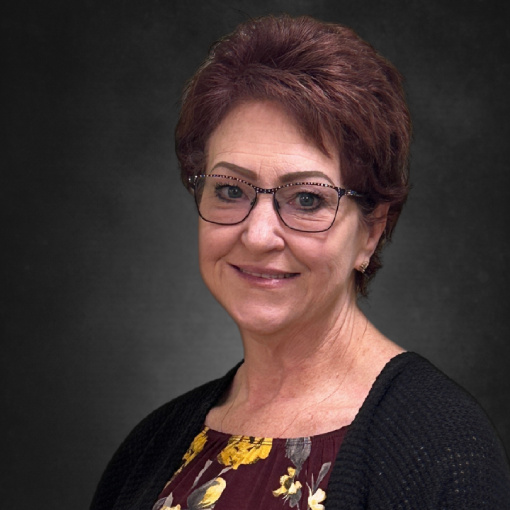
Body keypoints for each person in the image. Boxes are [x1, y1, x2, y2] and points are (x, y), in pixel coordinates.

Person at [90, 14, 510, 510]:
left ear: (370, 231)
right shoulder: (151, 447)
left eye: (307, 199)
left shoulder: (444, 449)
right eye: (229, 189)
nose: (259, 233)